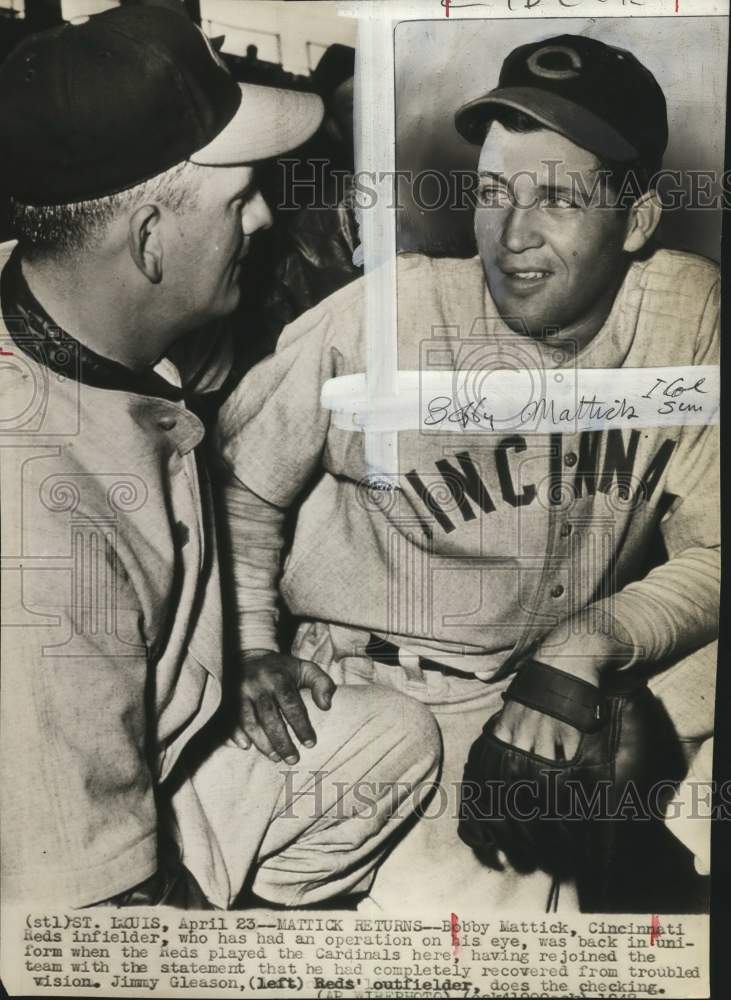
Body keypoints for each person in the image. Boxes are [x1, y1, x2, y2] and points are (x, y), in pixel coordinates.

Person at [213, 32, 719, 912]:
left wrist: (581, 647)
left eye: (555, 197)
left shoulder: (685, 315)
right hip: (342, 697)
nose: (510, 234)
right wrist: (250, 642)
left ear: (635, 220)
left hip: (516, 712)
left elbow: (715, 550)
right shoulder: (393, 311)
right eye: (492, 192)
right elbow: (239, 484)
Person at [0, 5, 441, 910]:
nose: (268, 216)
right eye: (240, 196)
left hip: (127, 741)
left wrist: (224, 668)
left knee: (389, 739)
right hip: (50, 856)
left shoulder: (72, 296)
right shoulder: (37, 532)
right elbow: (78, 904)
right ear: (150, 241)